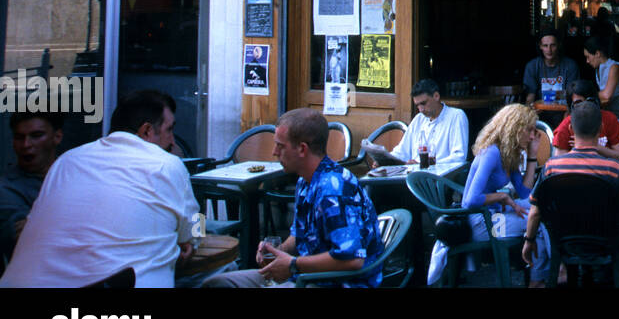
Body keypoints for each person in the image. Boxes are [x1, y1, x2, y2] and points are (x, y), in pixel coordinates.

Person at [1, 90, 200, 288]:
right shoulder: (168, 164)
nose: (173, 141)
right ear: (147, 131)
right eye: (169, 130)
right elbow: (195, 227)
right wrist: (194, 239)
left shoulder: (67, 161)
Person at [206, 108, 383, 287]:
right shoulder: (305, 181)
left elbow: (352, 260)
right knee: (217, 283)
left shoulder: (333, 190)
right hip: (302, 275)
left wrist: (292, 264)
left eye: (280, 146)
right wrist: (278, 251)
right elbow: (299, 234)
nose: (274, 152)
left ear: (302, 149)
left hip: (335, 283)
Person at [522, 100, 619, 284]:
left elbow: (535, 212)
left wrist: (529, 240)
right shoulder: (613, 169)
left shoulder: (551, 168)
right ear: (601, 127)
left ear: (571, 128)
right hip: (608, 241)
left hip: (564, 241)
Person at [427, 103, 549, 287]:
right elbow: (469, 201)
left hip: (493, 216)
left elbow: (525, 192)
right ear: (514, 129)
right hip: (482, 225)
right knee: (538, 220)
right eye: (529, 130)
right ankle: (540, 278)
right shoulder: (491, 153)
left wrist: (532, 155)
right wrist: (502, 197)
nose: (533, 136)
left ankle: (540, 275)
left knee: (543, 210)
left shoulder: (508, 153)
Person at [0, 113, 63, 261]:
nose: (26, 145)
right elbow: (27, 238)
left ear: (57, 137)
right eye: (19, 137)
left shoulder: (75, 174)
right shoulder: (6, 189)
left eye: (36, 135)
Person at [386, 79, 469, 166]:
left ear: (436, 96)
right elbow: (402, 151)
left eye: (423, 103)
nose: (421, 109)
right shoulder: (418, 119)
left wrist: (426, 163)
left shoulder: (456, 116)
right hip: (414, 175)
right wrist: (386, 160)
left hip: (441, 176)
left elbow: (459, 157)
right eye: (417, 105)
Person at [552, 79, 619, 157]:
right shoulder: (566, 125)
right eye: (578, 103)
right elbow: (558, 160)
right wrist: (578, 150)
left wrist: (596, 147)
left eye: (589, 100)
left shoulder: (608, 119)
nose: (585, 105)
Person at [523, 28, 580, 106]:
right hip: (540, 111)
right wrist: (531, 110)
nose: (549, 50)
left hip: (563, 111)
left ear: (559, 45)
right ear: (540, 46)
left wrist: (568, 113)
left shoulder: (570, 66)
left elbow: (572, 96)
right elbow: (530, 96)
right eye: (545, 46)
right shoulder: (532, 66)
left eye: (553, 45)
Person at [584, 36, 619, 121]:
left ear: (598, 54)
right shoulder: (599, 69)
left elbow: (606, 95)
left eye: (588, 57)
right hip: (611, 112)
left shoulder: (614, 67)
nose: (587, 61)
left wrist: (585, 95)